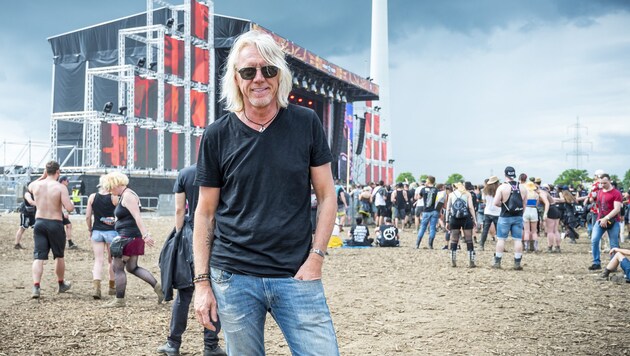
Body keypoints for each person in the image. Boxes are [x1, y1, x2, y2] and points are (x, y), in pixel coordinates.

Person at [192, 30, 339, 355]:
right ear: (236, 78)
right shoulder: (217, 135)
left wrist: (316, 259)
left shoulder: (306, 122)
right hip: (234, 277)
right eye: (249, 71)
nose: (259, 78)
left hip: (297, 274)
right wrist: (202, 283)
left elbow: (328, 196)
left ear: (279, 74)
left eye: (268, 69)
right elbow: (204, 212)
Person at [158, 165, 226, 356]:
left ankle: (173, 343)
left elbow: (180, 209)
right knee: (213, 292)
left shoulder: (184, 173)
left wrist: (179, 235)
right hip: (218, 234)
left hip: (191, 235)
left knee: (185, 292)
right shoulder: (220, 171)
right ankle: (211, 345)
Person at [101, 171, 163, 307]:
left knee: (117, 267)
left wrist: (146, 235)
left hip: (127, 237)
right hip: (132, 236)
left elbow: (137, 217)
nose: (109, 190)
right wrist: (115, 221)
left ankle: (119, 300)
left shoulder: (128, 196)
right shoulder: (126, 195)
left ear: (115, 184)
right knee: (132, 267)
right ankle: (158, 288)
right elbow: (130, 216)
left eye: (109, 187)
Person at [29, 160, 75, 298]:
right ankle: (61, 284)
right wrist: (71, 203)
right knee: (59, 256)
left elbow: (29, 187)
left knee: (38, 256)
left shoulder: (36, 185)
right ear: (58, 172)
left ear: (45, 171)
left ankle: (36, 286)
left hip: (39, 222)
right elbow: (69, 208)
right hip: (55, 223)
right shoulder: (60, 187)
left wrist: (42, 177)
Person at [84, 175, 119, 299]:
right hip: (111, 232)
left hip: (97, 231)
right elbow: (119, 215)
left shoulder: (92, 197)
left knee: (98, 260)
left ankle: (97, 289)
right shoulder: (114, 198)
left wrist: (90, 229)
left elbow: (88, 216)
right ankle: (112, 287)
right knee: (112, 260)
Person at [492, 166, 527, 270]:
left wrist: (503, 205)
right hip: (518, 216)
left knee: (501, 239)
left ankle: (497, 262)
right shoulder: (522, 187)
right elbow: (525, 204)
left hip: (505, 216)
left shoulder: (502, 187)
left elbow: (496, 202)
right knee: (517, 240)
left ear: (505, 174)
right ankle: (517, 263)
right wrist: (520, 213)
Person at [588, 173, 623, 271]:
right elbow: (598, 205)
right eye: (601, 183)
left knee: (614, 244)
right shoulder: (599, 192)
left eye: (604, 183)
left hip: (613, 221)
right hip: (600, 220)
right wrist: (601, 218)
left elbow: (617, 209)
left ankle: (613, 265)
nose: (602, 185)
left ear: (609, 181)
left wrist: (606, 218)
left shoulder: (616, 193)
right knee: (594, 240)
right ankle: (596, 262)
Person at [445, 182, 477, 268]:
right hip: (466, 218)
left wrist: (447, 221)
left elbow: (448, 209)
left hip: (454, 219)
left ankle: (453, 260)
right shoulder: (467, 194)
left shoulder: (451, 194)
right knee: (469, 239)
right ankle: (471, 260)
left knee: (454, 239)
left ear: (455, 187)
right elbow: (471, 207)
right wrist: (474, 219)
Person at [415, 175, 439, 249]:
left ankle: (417, 244)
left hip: (426, 211)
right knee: (432, 228)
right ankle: (430, 244)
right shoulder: (436, 190)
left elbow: (419, 197)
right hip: (434, 211)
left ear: (428, 181)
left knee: (422, 227)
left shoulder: (423, 189)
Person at [479, 176, 500, 251]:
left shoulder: (485, 190)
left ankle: (481, 245)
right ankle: (500, 247)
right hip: (497, 212)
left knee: (485, 229)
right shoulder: (499, 190)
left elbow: (484, 201)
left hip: (487, 212)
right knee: (499, 231)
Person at [59, 176, 78, 250]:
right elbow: (59, 201)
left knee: (68, 225)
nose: (68, 182)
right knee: (65, 226)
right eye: (67, 181)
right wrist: (64, 211)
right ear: (63, 181)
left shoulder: (60, 187)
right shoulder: (61, 188)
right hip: (59, 211)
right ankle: (68, 243)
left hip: (60, 211)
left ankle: (69, 242)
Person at [522, 181, 540, 252]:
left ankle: (526, 248)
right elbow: (537, 204)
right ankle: (535, 248)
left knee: (526, 231)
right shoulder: (536, 194)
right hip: (533, 210)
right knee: (534, 231)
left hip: (526, 210)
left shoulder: (524, 194)